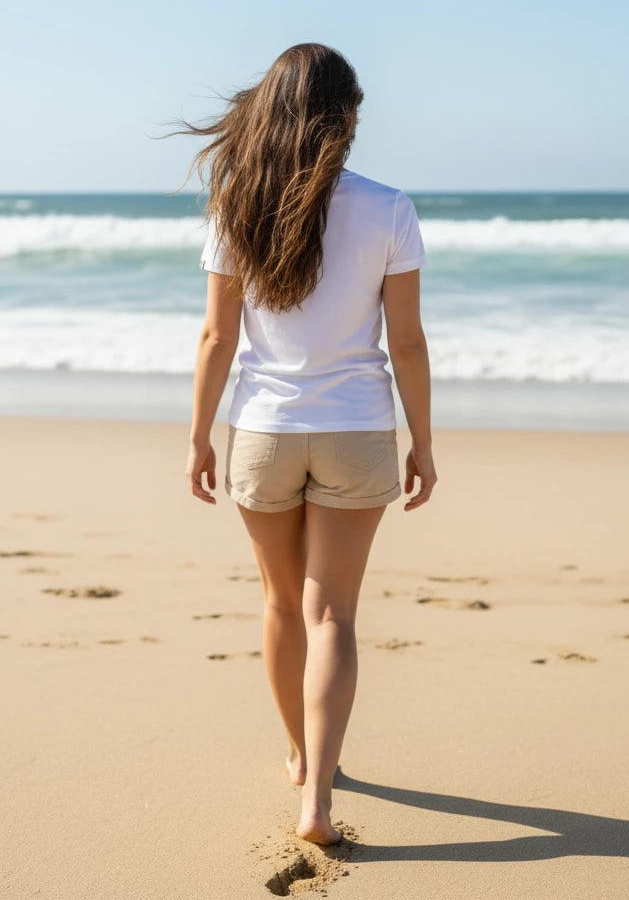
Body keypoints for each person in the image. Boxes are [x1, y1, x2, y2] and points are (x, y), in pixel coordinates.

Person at [179, 42, 437, 845]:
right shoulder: (389, 207)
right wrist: (422, 443)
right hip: (358, 428)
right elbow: (409, 345)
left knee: (282, 604)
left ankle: (298, 753)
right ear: (345, 118)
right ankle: (317, 801)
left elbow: (218, 338)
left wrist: (197, 437)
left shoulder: (235, 206)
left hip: (262, 429)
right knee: (333, 615)